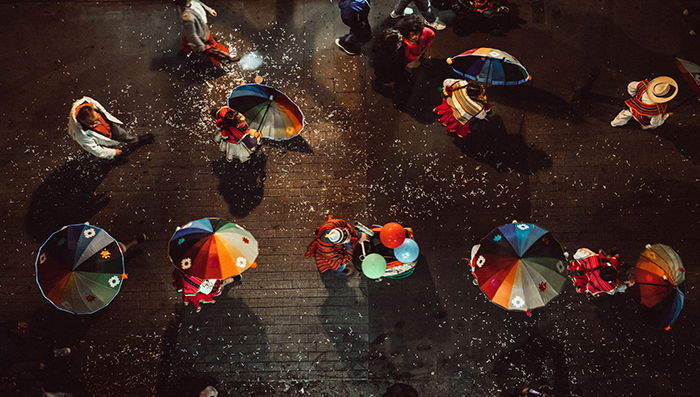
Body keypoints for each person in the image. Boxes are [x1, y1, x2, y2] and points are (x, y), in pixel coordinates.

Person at [68, 97, 152, 160]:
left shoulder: (88, 102)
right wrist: (113, 152)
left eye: (97, 117)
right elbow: (96, 149)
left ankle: (135, 141)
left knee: (122, 134)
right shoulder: (81, 134)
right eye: (93, 122)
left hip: (109, 126)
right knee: (105, 151)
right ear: (83, 122)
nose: (97, 121)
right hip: (99, 138)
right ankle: (112, 159)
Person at [179, 0, 240, 68]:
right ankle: (223, 60)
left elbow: (197, 1)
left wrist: (209, 9)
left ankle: (222, 61)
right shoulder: (188, 14)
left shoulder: (190, 8)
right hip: (200, 30)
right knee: (210, 47)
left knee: (210, 47)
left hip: (200, 30)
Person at [610, 76, 678, 130]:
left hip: (632, 107)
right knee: (652, 125)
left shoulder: (643, 85)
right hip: (641, 116)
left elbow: (630, 86)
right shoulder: (657, 109)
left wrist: (634, 96)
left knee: (624, 115)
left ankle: (614, 123)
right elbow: (655, 123)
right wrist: (666, 116)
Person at [567, 248, 633, 296]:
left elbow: (579, 252)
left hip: (583, 266)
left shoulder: (593, 260)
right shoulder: (608, 286)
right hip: (582, 277)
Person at [172, 270, 239, 312]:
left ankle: (235, 277)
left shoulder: (189, 286)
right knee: (223, 280)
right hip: (213, 278)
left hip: (213, 282)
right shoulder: (194, 273)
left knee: (223, 281)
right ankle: (235, 277)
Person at [372, 28, 406, 93]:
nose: (401, 40)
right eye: (398, 41)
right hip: (388, 74)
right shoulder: (382, 57)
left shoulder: (382, 43)